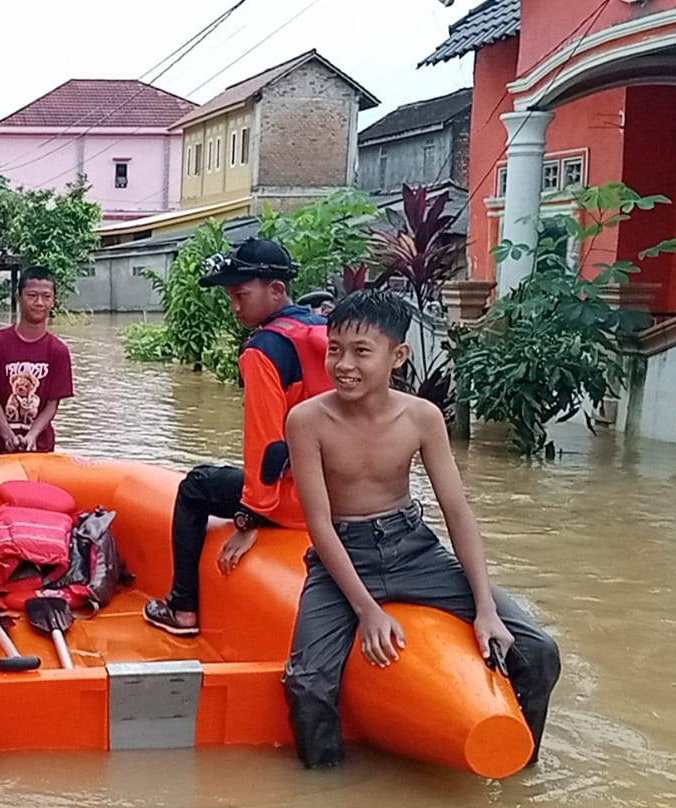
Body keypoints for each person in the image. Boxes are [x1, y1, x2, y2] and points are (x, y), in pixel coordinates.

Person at [282, 289, 561, 769]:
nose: (344, 364)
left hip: (414, 550)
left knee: (538, 650)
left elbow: (456, 510)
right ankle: (324, 795)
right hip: (342, 558)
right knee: (306, 682)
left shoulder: (422, 417)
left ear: (398, 356)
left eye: (361, 352)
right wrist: (367, 610)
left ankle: (519, 764)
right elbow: (320, 524)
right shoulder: (307, 420)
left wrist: (484, 608)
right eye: (335, 349)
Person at [143, 239, 332, 637]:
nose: (235, 306)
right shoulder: (329, 333)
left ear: (276, 290)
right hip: (342, 497)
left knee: (196, 487)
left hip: (295, 501)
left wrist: (250, 516)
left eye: (241, 295)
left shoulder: (264, 350)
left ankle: (182, 608)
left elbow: (266, 444)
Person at [0, 266, 73, 458]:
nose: (39, 302)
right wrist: (8, 436)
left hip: (40, 448)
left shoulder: (58, 351)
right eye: (32, 295)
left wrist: (32, 436)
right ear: (18, 297)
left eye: (46, 296)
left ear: (53, 300)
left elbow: (52, 404)